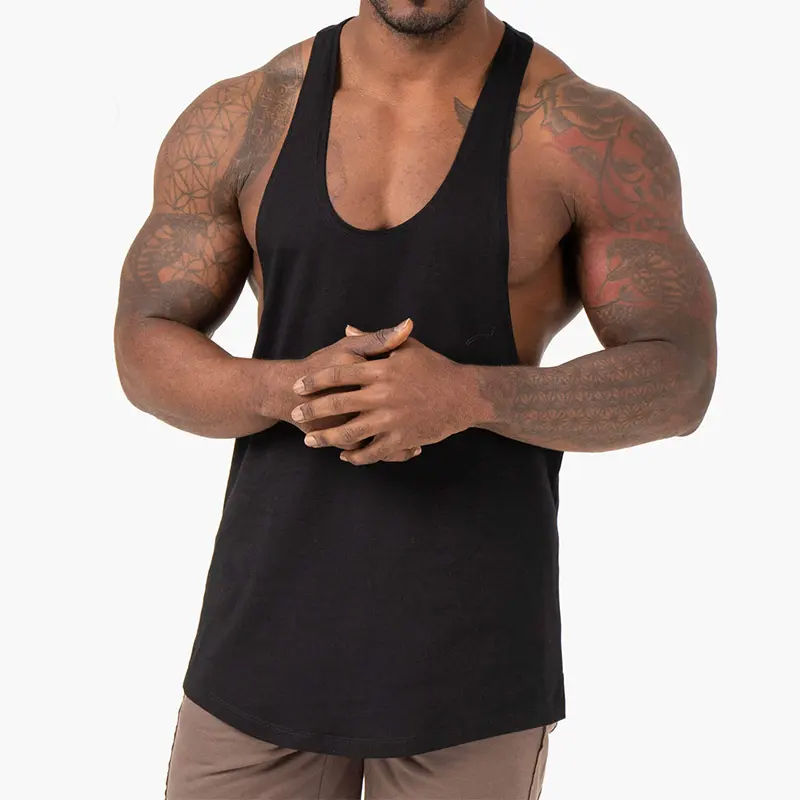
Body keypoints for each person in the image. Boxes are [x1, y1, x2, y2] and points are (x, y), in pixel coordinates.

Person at [114, 1, 717, 797]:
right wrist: (289, 388)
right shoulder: (246, 116)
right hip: (260, 641)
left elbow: (680, 377)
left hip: (471, 668)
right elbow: (144, 341)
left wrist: (471, 396)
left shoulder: (580, 133)